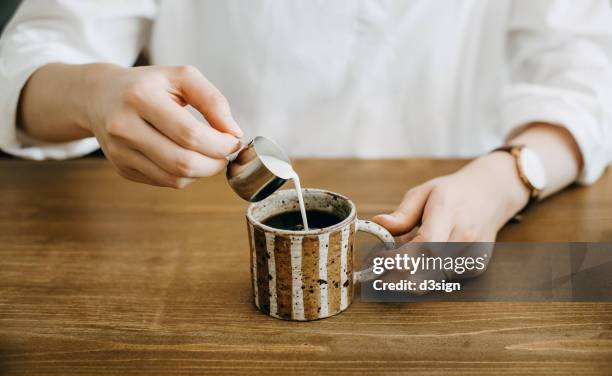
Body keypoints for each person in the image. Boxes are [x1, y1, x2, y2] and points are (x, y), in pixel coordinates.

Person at [1, 0, 611, 242]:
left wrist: (508, 178)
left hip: (461, 219)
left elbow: (588, 71)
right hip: (188, 235)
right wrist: (90, 91)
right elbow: (25, 61)